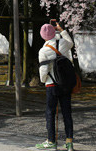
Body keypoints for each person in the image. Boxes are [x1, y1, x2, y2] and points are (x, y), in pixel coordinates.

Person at [36, 21, 75, 151]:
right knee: (67, 113)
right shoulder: (62, 43)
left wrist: (43, 80)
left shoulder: (44, 50)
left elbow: (43, 70)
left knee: (50, 113)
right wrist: (61, 30)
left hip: (51, 84)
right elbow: (71, 43)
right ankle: (69, 142)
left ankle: (51, 140)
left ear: (42, 36)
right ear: (54, 32)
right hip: (65, 84)